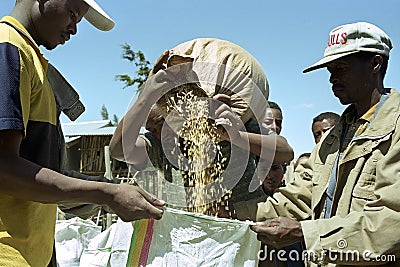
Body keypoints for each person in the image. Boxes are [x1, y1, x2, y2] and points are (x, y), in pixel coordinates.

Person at [0, 1, 165, 266]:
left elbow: (42, 170)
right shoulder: (8, 50)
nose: (74, 30)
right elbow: (4, 168)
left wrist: (111, 190)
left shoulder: (33, 60)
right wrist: (105, 194)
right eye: (73, 14)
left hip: (32, 252)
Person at [238, 22, 400, 266]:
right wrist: (233, 215)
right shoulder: (335, 136)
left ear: (375, 64)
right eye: (330, 70)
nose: (332, 78)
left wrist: (305, 233)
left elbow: (391, 223)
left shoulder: (395, 128)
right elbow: (298, 197)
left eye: (342, 68)